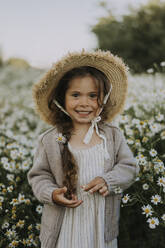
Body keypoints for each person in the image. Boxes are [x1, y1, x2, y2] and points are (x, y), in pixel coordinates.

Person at [27, 49, 139, 248]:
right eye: (76, 95)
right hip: (64, 229)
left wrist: (108, 180)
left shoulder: (112, 135)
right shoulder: (50, 140)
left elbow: (129, 167)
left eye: (93, 95)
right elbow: (39, 176)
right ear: (62, 98)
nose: (84, 103)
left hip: (100, 226)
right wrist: (53, 194)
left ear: (104, 99)